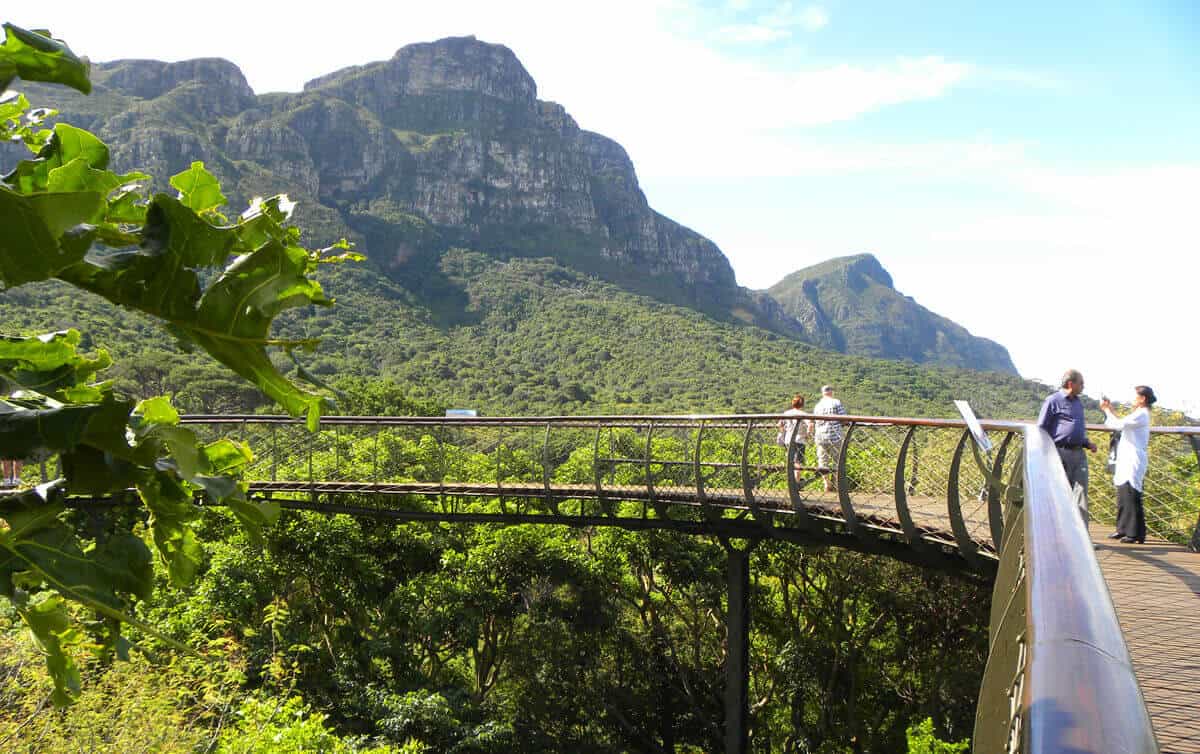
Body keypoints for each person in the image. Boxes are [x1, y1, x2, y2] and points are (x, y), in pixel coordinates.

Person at [1036, 369, 1097, 525]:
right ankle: (1058, 535)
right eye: (1081, 383)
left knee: (1081, 494)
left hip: (1079, 453)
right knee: (1060, 494)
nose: (1083, 386)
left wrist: (1087, 443)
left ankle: (1083, 540)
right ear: (1071, 383)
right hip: (1059, 453)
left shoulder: (1078, 402)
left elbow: (1076, 428)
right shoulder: (1052, 401)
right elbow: (1041, 428)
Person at [1101, 386, 1156, 544]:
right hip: (1126, 457)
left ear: (1142, 398)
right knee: (1123, 492)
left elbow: (1118, 425)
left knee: (1132, 493)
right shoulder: (1138, 414)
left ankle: (1135, 533)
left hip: (1134, 458)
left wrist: (1107, 411)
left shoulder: (1142, 414)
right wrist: (1110, 410)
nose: (1133, 399)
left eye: (1135, 396)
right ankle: (1122, 528)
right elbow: (1120, 423)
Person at [812, 385, 847, 493]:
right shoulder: (836, 402)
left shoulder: (817, 406)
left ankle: (826, 484)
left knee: (823, 461)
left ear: (823, 393)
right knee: (837, 461)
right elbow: (844, 419)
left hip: (820, 437)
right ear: (831, 392)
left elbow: (815, 421)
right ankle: (837, 484)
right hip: (834, 436)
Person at [779, 393, 810, 470]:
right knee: (798, 462)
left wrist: (783, 432)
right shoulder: (803, 414)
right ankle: (796, 480)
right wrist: (808, 434)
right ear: (802, 404)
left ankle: (790, 478)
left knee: (790, 461)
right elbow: (810, 424)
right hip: (799, 440)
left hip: (788, 439)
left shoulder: (786, 413)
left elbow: (780, 424)